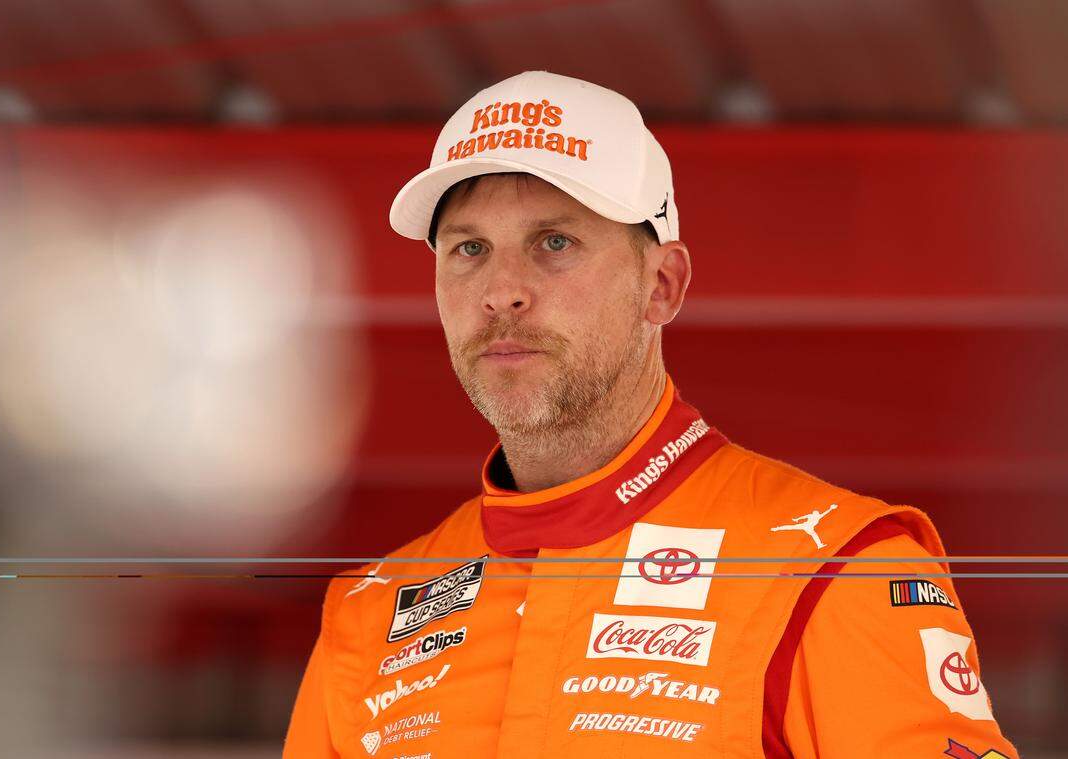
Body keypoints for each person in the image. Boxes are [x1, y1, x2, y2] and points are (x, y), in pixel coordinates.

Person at [283, 70, 1018, 758]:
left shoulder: (834, 570)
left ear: (661, 285)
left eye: (555, 243)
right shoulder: (367, 619)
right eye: (469, 248)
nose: (501, 291)